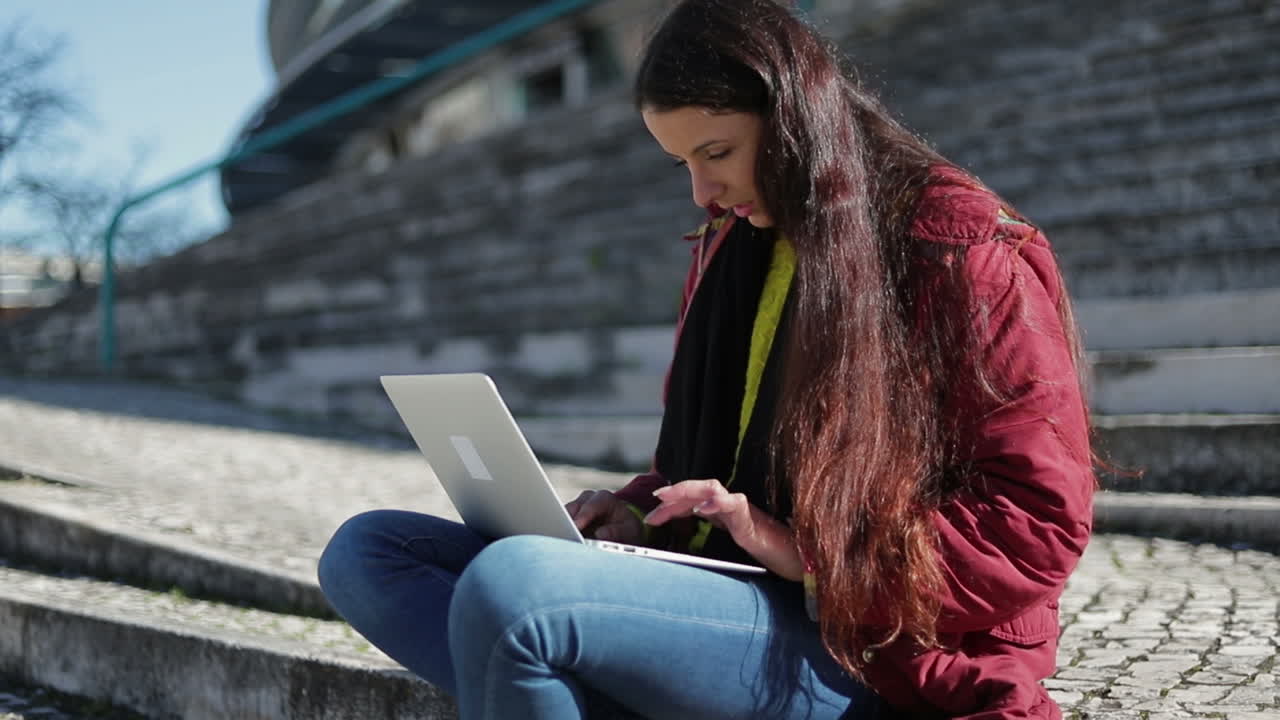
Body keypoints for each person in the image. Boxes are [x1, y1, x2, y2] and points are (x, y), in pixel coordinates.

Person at [317, 0, 1095, 717]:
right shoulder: (737, 243)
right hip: (733, 593)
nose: (703, 193)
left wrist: (808, 554)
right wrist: (636, 512)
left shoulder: (955, 245)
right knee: (370, 556)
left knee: (513, 592)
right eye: (682, 162)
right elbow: (721, 465)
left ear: (792, 115)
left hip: (874, 643)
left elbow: (1036, 523)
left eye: (716, 152)